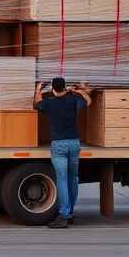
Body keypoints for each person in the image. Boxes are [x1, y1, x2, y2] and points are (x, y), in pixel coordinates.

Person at [33, 77, 91, 228]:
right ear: (65, 87)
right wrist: (79, 90)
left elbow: (36, 104)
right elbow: (88, 101)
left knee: (62, 179)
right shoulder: (73, 100)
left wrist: (38, 89)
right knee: (73, 178)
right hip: (74, 143)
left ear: (52, 88)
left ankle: (64, 215)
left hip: (59, 145)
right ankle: (70, 212)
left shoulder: (49, 103)